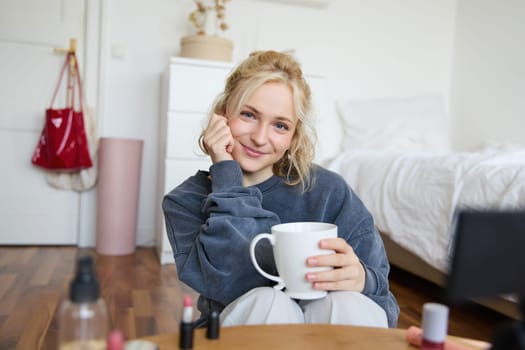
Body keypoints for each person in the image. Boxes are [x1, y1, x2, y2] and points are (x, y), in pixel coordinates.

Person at [163, 50, 399, 328]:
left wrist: (363, 279)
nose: (260, 138)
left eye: (280, 125)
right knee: (268, 302)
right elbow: (231, 282)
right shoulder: (184, 201)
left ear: (294, 136)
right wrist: (226, 174)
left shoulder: (330, 191)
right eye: (249, 115)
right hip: (244, 329)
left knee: (346, 301)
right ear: (223, 115)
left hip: (327, 332)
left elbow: (383, 302)